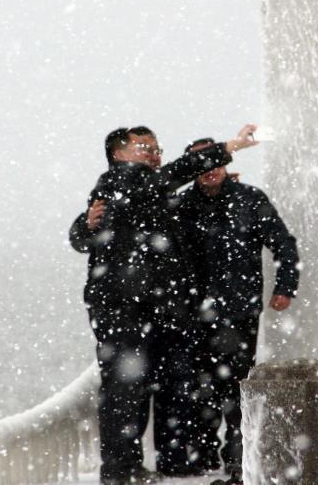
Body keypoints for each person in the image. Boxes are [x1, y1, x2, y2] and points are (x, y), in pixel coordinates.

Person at [69, 125, 259, 485]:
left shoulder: (148, 191)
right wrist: (229, 146)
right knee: (126, 388)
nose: (154, 154)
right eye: (144, 147)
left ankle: (172, 462)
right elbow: (173, 174)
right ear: (119, 155)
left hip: (157, 308)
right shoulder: (122, 180)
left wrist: (218, 192)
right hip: (125, 308)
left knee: (165, 383)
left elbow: (87, 234)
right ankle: (121, 470)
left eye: (157, 149)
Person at [177, 138, 300, 480]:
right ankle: (201, 455)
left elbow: (283, 244)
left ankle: (238, 457)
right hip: (192, 313)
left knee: (239, 386)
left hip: (239, 310)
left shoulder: (250, 199)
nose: (210, 170)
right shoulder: (181, 206)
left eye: (215, 162)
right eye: (201, 164)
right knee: (199, 387)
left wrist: (285, 287)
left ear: (225, 164)